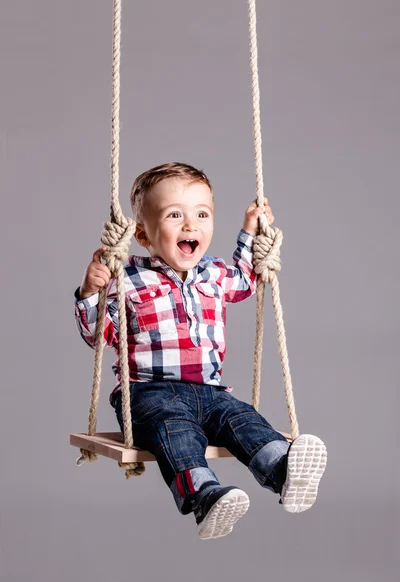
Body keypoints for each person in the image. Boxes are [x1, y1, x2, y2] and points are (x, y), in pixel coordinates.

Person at [74, 162, 327, 539]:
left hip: (210, 391)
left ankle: (283, 472)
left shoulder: (214, 273)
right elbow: (99, 336)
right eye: (175, 215)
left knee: (243, 418)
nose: (191, 225)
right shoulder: (126, 276)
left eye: (202, 214)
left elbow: (244, 280)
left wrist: (249, 231)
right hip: (147, 395)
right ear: (142, 233)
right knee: (175, 430)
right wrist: (91, 292)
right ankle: (205, 496)